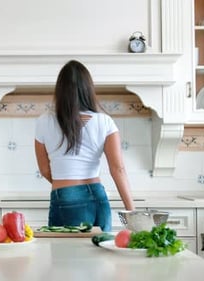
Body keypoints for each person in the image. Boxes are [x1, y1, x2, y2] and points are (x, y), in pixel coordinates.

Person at [34, 60, 135, 232]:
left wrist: (67, 185)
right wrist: (132, 213)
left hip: (66, 197)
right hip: (98, 197)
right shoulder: (105, 121)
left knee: (65, 257)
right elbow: (118, 169)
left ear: (60, 90)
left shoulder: (44, 121)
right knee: (100, 256)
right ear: (88, 89)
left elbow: (44, 169)